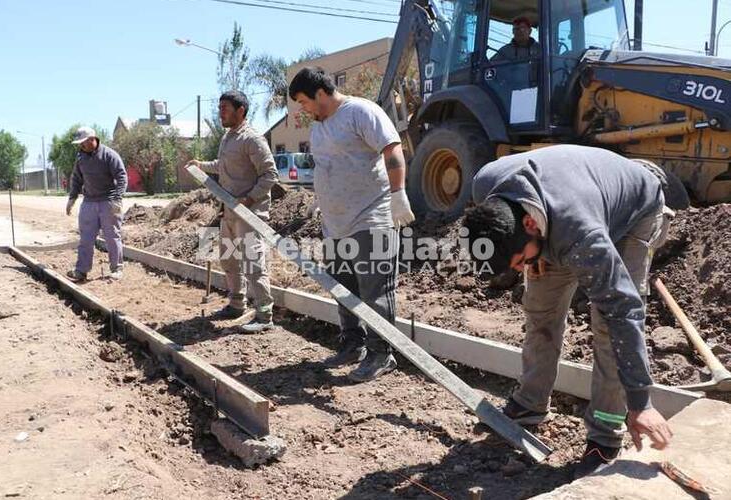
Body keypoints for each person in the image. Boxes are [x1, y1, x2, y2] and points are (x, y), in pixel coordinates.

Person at [463, 144, 675, 477]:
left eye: (520, 260)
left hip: (635, 212)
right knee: (540, 309)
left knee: (607, 322)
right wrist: (532, 257)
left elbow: (624, 311)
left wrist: (641, 402)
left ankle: (605, 434)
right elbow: (512, 236)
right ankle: (529, 404)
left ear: (531, 224)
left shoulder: (581, 235)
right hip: (562, 210)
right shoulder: (485, 185)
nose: (521, 269)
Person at [288, 67, 415, 382]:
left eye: (304, 102)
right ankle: (352, 344)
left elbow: (392, 149)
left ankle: (380, 353)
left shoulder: (361, 112)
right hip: (337, 223)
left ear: (320, 94)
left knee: (376, 290)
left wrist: (399, 194)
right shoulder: (319, 127)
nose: (303, 109)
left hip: (372, 216)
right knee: (342, 288)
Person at [187, 91, 279, 333]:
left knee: (253, 264)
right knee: (228, 259)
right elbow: (223, 166)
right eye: (219, 108)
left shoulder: (253, 140)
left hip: (250, 214)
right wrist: (201, 166)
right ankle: (237, 304)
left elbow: (270, 175)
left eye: (225, 108)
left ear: (241, 110)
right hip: (228, 210)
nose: (220, 112)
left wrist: (248, 199)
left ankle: (264, 315)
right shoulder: (228, 138)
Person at [66, 127, 127, 282]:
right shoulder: (81, 157)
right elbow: (76, 178)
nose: (81, 146)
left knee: (112, 236)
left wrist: (117, 199)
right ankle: (81, 271)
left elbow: (121, 176)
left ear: (92, 139)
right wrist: (72, 198)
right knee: (85, 238)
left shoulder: (109, 155)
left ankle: (117, 269)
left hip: (108, 201)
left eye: (83, 143)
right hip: (89, 203)